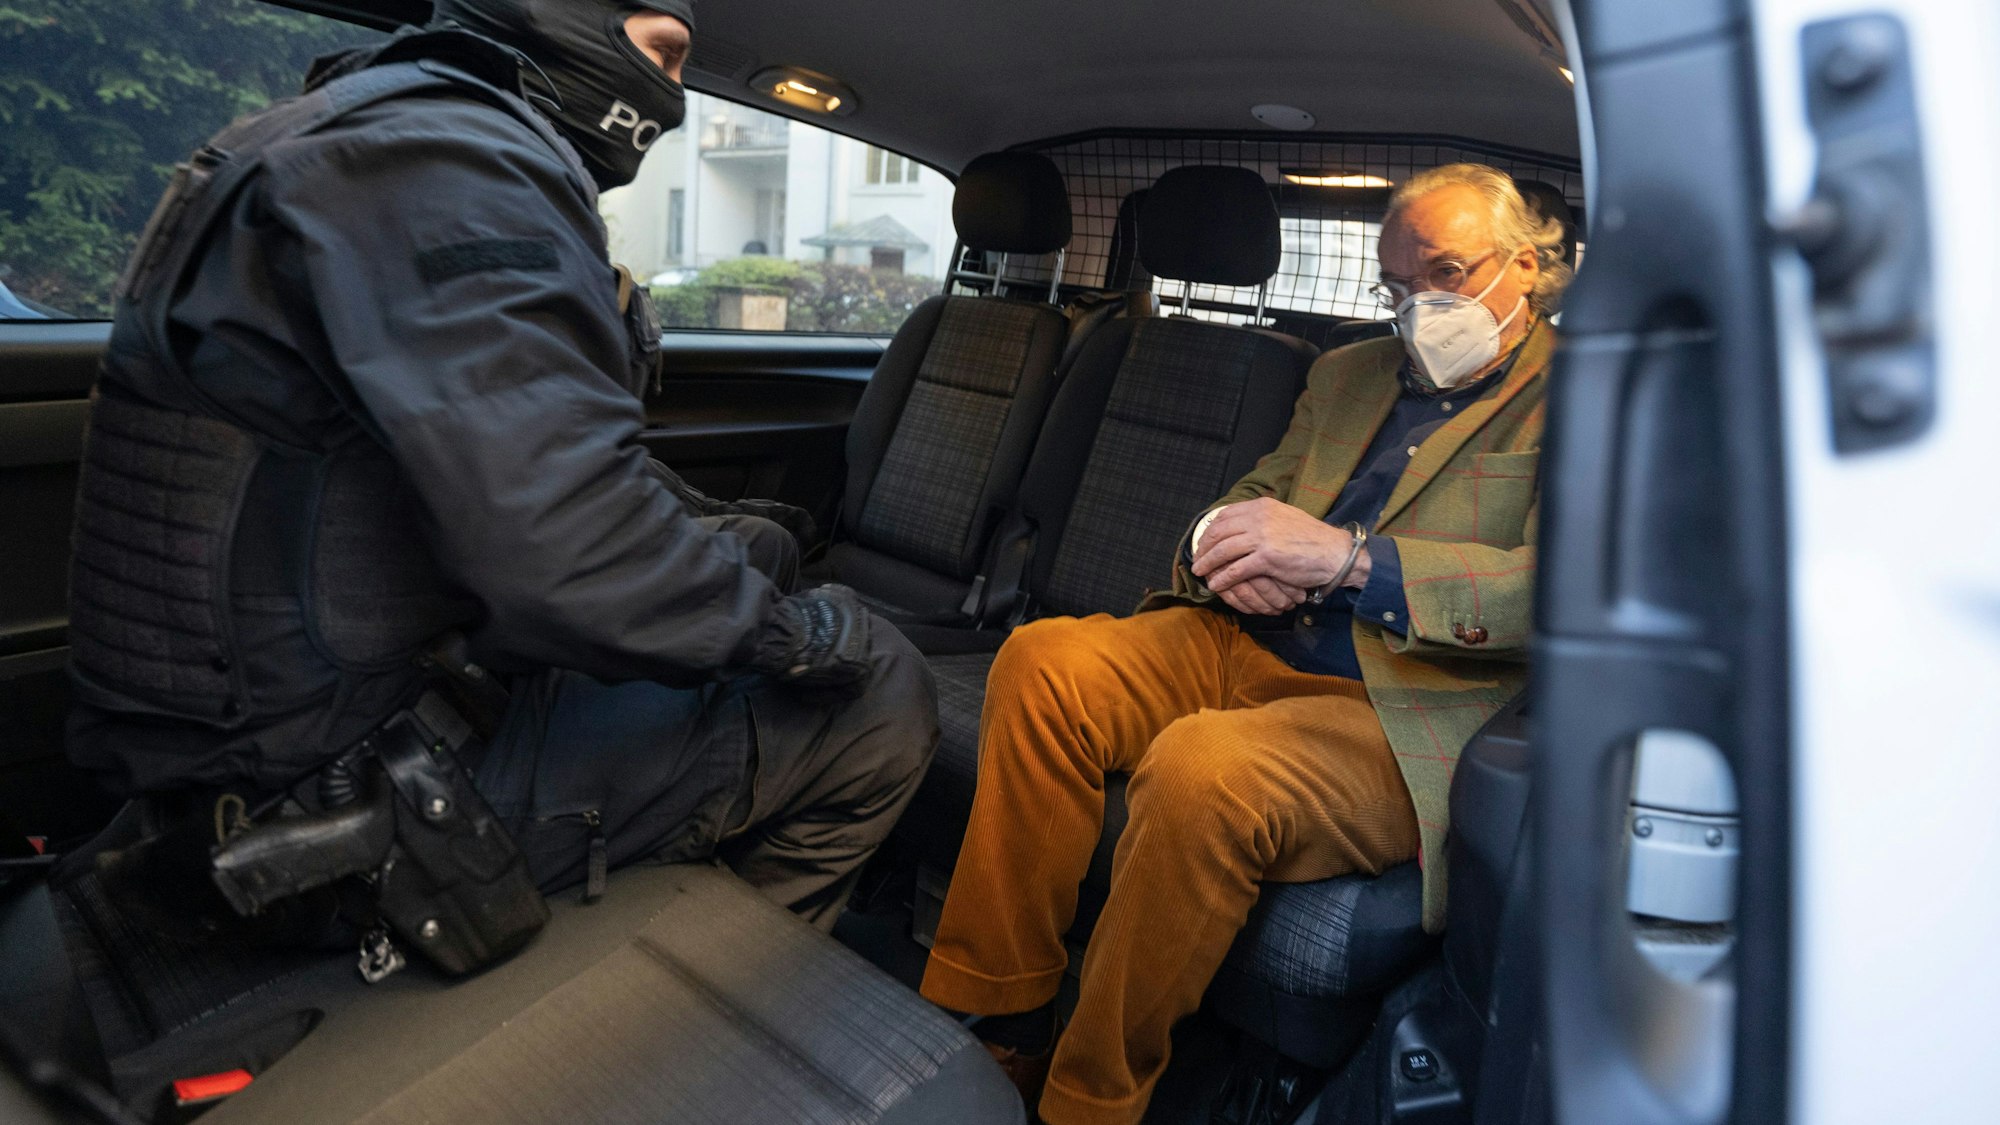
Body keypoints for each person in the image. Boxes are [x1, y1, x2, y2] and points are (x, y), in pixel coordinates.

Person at [64, 0, 934, 940]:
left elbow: (519, 454)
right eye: (667, 55)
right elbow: (568, 558)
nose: (673, 96)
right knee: (883, 687)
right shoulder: (455, 162)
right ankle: (698, 982)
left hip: (278, 739)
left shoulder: (372, 130)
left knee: (754, 544)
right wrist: (800, 634)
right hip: (346, 807)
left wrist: (735, 548)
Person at [918, 164, 1571, 1124]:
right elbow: (1254, 491)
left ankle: (1088, 1099)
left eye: (1447, 273)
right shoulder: (1345, 373)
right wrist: (1217, 549)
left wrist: (1349, 562)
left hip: (1394, 705)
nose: (1420, 306)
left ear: (1526, 265)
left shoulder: (1586, 398)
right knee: (1044, 661)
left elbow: (1558, 592)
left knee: (1201, 767)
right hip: (1240, 639)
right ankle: (1004, 1018)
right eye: (1396, 287)